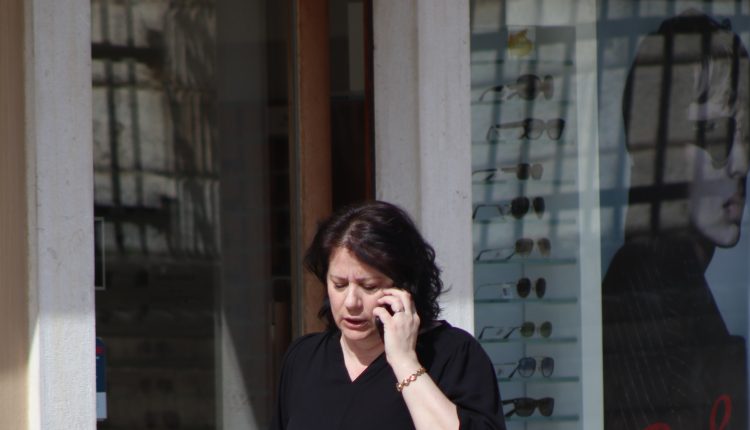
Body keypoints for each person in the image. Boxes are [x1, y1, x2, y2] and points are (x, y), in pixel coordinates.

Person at [602, 10, 749, 430]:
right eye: (715, 133)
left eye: (747, 134)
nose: (740, 163)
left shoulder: (673, 284)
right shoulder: (644, 293)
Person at [270, 200, 506, 430]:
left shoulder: (452, 355)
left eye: (369, 287)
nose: (351, 302)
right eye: (339, 285)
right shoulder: (303, 358)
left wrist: (404, 361)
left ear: (404, 287)